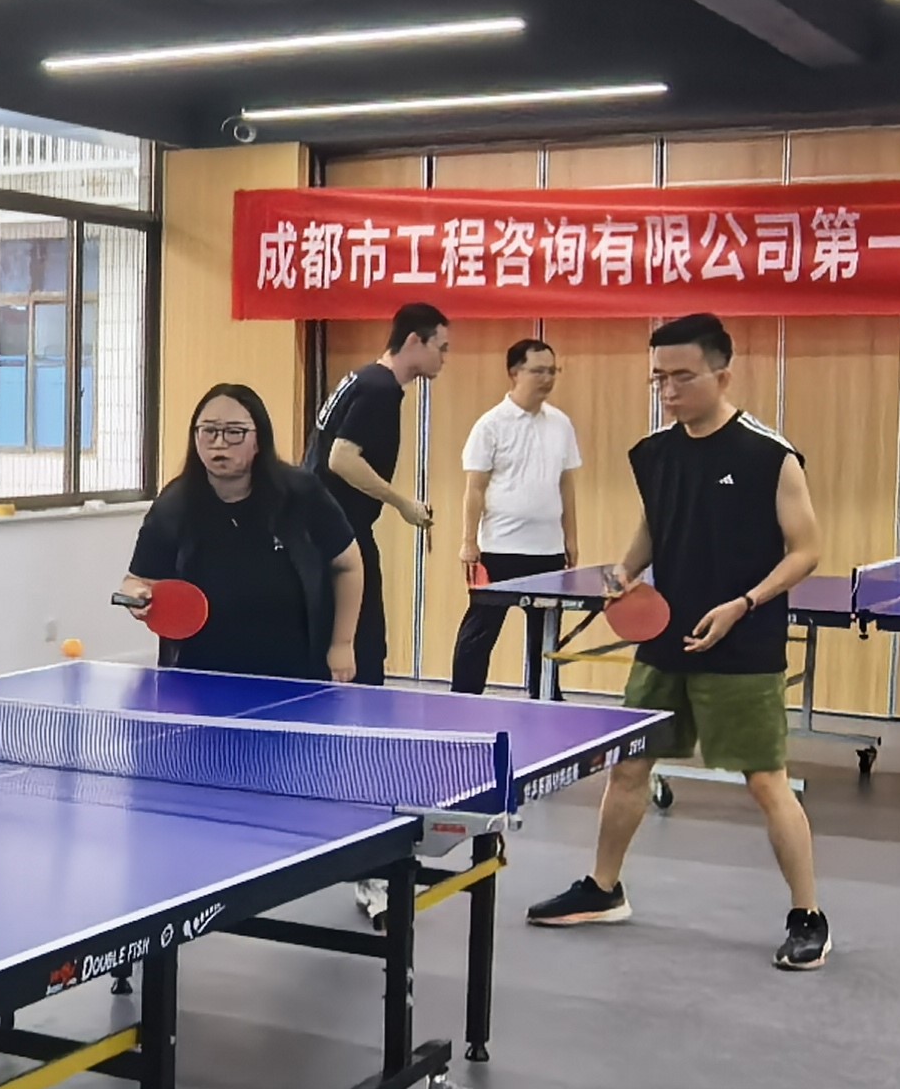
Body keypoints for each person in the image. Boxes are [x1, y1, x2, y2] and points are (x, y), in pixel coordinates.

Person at [526, 312, 829, 970]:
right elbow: (656, 522)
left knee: (766, 782)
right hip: (665, 639)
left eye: (682, 377)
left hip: (742, 644)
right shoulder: (656, 453)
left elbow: (806, 550)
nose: (668, 390)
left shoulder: (768, 455)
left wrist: (744, 604)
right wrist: (625, 571)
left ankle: (808, 917)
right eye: (659, 378)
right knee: (629, 766)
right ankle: (604, 888)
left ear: (723, 374)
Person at [120, 382, 362, 681]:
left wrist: (343, 644)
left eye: (234, 432)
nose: (219, 443)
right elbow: (136, 581)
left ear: (259, 439)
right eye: (208, 431)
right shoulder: (174, 504)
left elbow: (348, 565)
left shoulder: (301, 493)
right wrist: (136, 596)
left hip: (296, 671)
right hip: (200, 675)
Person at [307, 301, 451, 685]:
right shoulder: (380, 390)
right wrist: (403, 503)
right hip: (341, 535)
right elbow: (342, 458)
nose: (444, 358)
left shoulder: (363, 378)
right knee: (364, 652)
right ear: (414, 341)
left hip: (325, 529)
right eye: (440, 347)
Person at [448, 335, 589, 693]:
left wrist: (571, 538)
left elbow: (566, 485)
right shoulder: (490, 425)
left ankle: (546, 696)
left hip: (547, 550)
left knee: (545, 633)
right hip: (499, 548)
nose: (547, 378)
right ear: (514, 372)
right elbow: (475, 488)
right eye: (538, 371)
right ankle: (463, 697)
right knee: (481, 629)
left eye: (552, 371)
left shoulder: (561, 424)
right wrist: (468, 542)